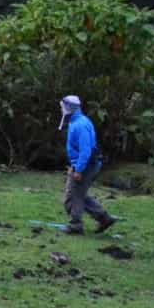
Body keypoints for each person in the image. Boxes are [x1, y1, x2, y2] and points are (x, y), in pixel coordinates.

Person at [58, 95, 117, 234]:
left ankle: (75, 225)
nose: (61, 110)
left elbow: (86, 151)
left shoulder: (80, 125)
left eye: (62, 107)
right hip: (83, 164)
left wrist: (78, 170)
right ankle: (104, 218)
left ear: (68, 108)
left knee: (73, 197)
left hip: (85, 165)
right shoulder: (76, 121)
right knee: (79, 195)